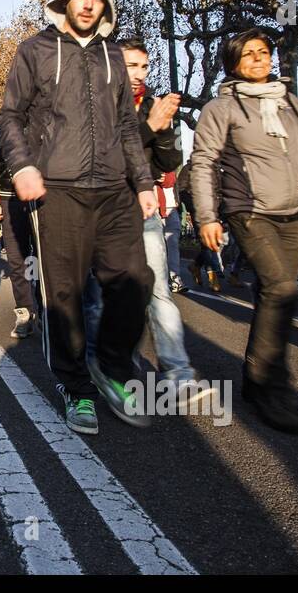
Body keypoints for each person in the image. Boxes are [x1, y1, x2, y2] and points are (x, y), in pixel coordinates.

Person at [0, 0, 156, 433]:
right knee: (63, 294)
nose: (89, 4)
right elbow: (9, 116)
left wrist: (144, 181)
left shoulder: (113, 55)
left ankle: (112, 368)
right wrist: (24, 165)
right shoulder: (35, 50)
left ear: (105, 7)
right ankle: (75, 388)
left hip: (114, 190)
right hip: (59, 189)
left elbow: (128, 125)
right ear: (66, 0)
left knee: (135, 278)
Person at [186, 28, 298, 434]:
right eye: (248, 54)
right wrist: (206, 217)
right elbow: (203, 162)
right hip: (250, 210)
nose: (259, 59)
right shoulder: (221, 108)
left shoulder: (286, 100)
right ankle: (270, 384)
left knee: (278, 295)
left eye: (263, 52)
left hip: (296, 211)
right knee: (283, 289)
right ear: (233, 63)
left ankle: (258, 377)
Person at [96, 37, 212, 404]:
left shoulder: (154, 105)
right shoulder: (96, 102)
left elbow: (168, 163)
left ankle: (177, 371)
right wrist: (147, 127)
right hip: (99, 210)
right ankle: (117, 368)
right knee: (104, 295)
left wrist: (160, 127)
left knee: (157, 288)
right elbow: (102, 158)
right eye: (131, 65)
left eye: (144, 66)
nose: (138, 73)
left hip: (143, 210)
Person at [0, 114, 38, 337]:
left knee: (43, 257)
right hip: (9, 197)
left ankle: (44, 307)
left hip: (43, 195)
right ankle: (25, 311)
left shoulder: (49, 110)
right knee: (17, 258)